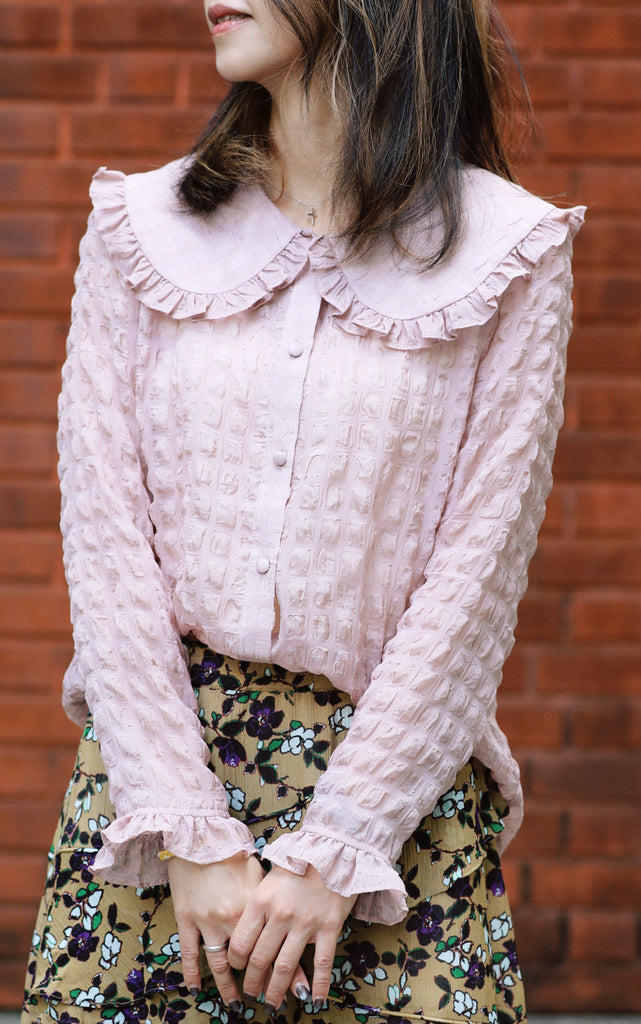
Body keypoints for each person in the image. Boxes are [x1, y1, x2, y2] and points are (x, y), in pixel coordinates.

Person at [21, 2, 584, 1023]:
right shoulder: (140, 229)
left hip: (391, 813)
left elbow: (478, 578)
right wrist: (187, 829)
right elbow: (105, 547)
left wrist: (342, 845)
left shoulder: (510, 252)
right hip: (158, 793)